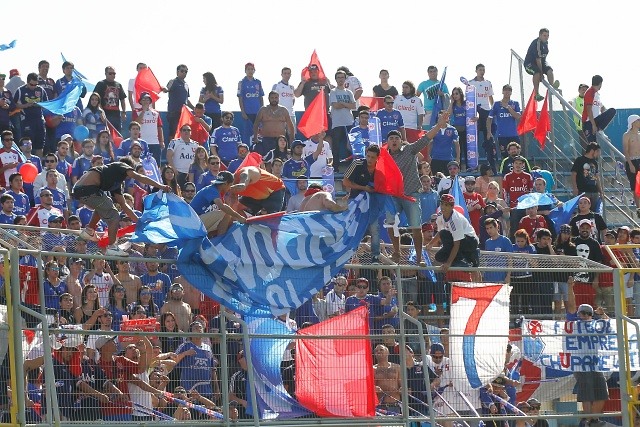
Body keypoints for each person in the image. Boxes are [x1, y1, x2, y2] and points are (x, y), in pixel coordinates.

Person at [73, 157, 171, 256]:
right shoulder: (120, 165)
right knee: (114, 215)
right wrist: (161, 186)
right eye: (131, 170)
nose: (131, 175)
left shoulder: (115, 182)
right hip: (87, 189)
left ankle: (89, 230)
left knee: (105, 204)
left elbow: (124, 205)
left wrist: (139, 222)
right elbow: (139, 176)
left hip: (80, 191)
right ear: (129, 167)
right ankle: (112, 247)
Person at [387, 118, 447, 264]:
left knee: (415, 227)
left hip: (411, 194)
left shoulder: (409, 150)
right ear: (387, 142)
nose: (394, 140)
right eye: (391, 138)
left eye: (397, 138)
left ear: (401, 141)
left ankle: (419, 258)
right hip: (393, 195)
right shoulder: (384, 156)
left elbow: (426, 138)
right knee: (390, 222)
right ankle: (396, 252)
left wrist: (439, 125)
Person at [565, 281, 609, 427]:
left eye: (588, 313)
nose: (584, 315)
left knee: (602, 391)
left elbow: (609, 325)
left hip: (595, 364)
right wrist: (570, 288)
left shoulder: (596, 326)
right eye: (582, 313)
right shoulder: (574, 324)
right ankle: (587, 420)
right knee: (587, 392)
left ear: (592, 315)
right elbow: (571, 306)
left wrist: (603, 314)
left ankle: (593, 419)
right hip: (581, 365)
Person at [343, 145, 383, 262]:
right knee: (351, 227)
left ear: (377, 158)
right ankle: (347, 253)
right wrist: (363, 188)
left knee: (375, 228)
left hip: (373, 202)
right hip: (355, 201)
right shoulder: (357, 164)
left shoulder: (381, 168)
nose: (369, 159)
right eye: (368, 156)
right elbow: (345, 182)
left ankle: (375, 256)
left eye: (372, 157)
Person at [428, 193, 480, 273]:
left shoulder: (455, 220)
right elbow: (440, 232)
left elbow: (457, 243)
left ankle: (468, 258)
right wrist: (430, 244)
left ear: (452, 207)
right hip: (456, 240)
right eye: (442, 204)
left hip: (470, 241)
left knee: (445, 234)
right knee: (439, 257)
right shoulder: (440, 216)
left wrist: (448, 263)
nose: (443, 207)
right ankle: (460, 261)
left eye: (446, 205)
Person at [13, 73, 49, 156]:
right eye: (32, 84)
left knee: (40, 144)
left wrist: (39, 104)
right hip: (26, 120)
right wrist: (26, 105)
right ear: (27, 82)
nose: (34, 86)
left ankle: (38, 164)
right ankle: (26, 162)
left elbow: (46, 104)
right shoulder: (20, 90)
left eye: (36, 84)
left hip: (39, 120)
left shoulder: (41, 90)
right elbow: (14, 105)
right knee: (27, 143)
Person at [253, 91, 294, 156]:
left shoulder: (283, 110)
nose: (274, 99)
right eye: (272, 98)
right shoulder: (263, 110)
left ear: (278, 98)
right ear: (269, 99)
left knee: (280, 159)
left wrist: (292, 140)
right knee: (267, 159)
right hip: (267, 140)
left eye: (276, 97)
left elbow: (291, 126)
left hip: (280, 140)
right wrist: (255, 137)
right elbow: (256, 124)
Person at [328, 70, 356, 165]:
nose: (340, 79)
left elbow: (353, 106)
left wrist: (343, 104)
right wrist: (347, 105)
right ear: (336, 79)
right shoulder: (333, 92)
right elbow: (335, 105)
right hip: (337, 123)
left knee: (350, 146)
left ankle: (351, 167)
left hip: (349, 122)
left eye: (342, 77)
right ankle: (335, 167)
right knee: (336, 147)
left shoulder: (349, 92)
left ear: (345, 79)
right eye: (338, 77)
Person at [503, 155, 534, 240]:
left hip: (525, 207)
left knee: (526, 226)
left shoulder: (528, 176)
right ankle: (514, 245)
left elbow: (530, 192)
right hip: (514, 207)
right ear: (512, 164)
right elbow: (505, 192)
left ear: (523, 165)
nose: (518, 165)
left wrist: (529, 206)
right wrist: (507, 205)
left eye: (520, 163)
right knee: (515, 227)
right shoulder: (507, 177)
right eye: (516, 163)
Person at [487, 84, 522, 160]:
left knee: (517, 157)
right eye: (505, 90)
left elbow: (518, 116)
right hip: (502, 135)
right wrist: (489, 132)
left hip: (513, 135)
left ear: (511, 92)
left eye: (509, 90)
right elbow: (489, 118)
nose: (507, 92)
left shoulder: (515, 103)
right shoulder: (496, 104)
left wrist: (508, 108)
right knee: (505, 157)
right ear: (502, 91)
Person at [524, 28, 559, 101]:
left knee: (549, 69)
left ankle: (552, 87)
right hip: (530, 64)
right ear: (540, 35)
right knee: (537, 72)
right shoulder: (537, 43)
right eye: (544, 35)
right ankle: (537, 94)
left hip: (541, 62)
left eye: (547, 36)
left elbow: (543, 59)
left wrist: (545, 69)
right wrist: (541, 73)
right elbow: (538, 59)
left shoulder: (546, 43)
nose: (546, 37)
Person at [581, 75, 617, 143]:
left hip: (596, 120)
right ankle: (598, 129)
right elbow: (589, 109)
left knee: (612, 111)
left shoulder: (597, 94)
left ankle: (600, 129)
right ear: (600, 83)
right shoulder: (590, 92)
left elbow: (602, 107)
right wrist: (593, 125)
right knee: (593, 146)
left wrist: (605, 114)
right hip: (589, 122)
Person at [237, 62, 264, 148]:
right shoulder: (241, 83)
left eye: (252, 69)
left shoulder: (258, 82)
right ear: (245, 71)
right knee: (247, 133)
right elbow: (240, 98)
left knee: (259, 132)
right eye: (248, 69)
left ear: (254, 70)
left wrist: (262, 110)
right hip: (247, 112)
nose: (250, 71)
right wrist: (243, 112)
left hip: (257, 112)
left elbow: (261, 97)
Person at [424, 111, 460, 175]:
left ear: (447, 118)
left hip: (448, 158)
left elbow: (456, 144)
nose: (441, 119)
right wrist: (428, 155)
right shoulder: (434, 129)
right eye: (440, 117)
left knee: (448, 179)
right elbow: (430, 143)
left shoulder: (452, 129)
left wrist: (458, 157)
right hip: (436, 158)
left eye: (443, 117)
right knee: (435, 178)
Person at [93, 66, 127, 132]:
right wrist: (101, 112)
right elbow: (96, 98)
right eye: (110, 73)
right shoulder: (100, 84)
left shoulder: (118, 85)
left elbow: (122, 99)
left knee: (117, 133)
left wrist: (124, 112)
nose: (112, 75)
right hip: (105, 114)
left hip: (116, 115)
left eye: (114, 73)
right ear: (106, 74)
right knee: (105, 133)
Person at [134, 92, 164, 163]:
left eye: (147, 99)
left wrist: (161, 141)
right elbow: (136, 124)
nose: (146, 101)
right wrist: (143, 111)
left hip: (155, 142)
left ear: (150, 101)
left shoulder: (156, 113)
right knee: (142, 163)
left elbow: (159, 127)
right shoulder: (136, 111)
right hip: (142, 142)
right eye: (143, 99)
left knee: (155, 164)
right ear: (140, 101)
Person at [571, 142, 603, 209]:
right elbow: (574, 174)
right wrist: (575, 187)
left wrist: (600, 191)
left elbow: (597, 177)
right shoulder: (579, 160)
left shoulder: (595, 162)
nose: (598, 154)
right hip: (583, 190)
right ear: (592, 150)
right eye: (597, 151)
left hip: (594, 191)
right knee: (583, 211)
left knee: (593, 213)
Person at [166, 64, 194, 139]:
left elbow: (186, 100)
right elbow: (166, 89)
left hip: (183, 113)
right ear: (177, 72)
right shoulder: (173, 81)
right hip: (174, 112)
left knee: (184, 132)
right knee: (173, 132)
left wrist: (194, 108)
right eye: (182, 71)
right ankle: (171, 149)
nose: (184, 73)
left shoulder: (186, 85)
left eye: (186, 72)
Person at [167, 125, 198, 189]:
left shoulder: (196, 144)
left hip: (191, 174)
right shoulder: (174, 142)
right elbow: (169, 155)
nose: (186, 131)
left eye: (188, 130)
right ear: (180, 132)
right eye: (184, 130)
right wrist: (173, 168)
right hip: (179, 172)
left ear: (191, 132)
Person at [373, 344, 402, 414]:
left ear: (387, 352)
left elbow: (403, 385)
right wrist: (374, 389)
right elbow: (369, 388)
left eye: (381, 350)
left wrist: (402, 389)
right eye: (376, 351)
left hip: (395, 405)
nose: (378, 352)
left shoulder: (397, 367)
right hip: (380, 406)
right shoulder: (372, 369)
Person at [623, 114, 640, 216]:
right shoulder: (627, 135)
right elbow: (626, 150)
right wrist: (630, 164)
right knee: (635, 186)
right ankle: (638, 208)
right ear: (633, 122)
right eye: (638, 120)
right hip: (632, 161)